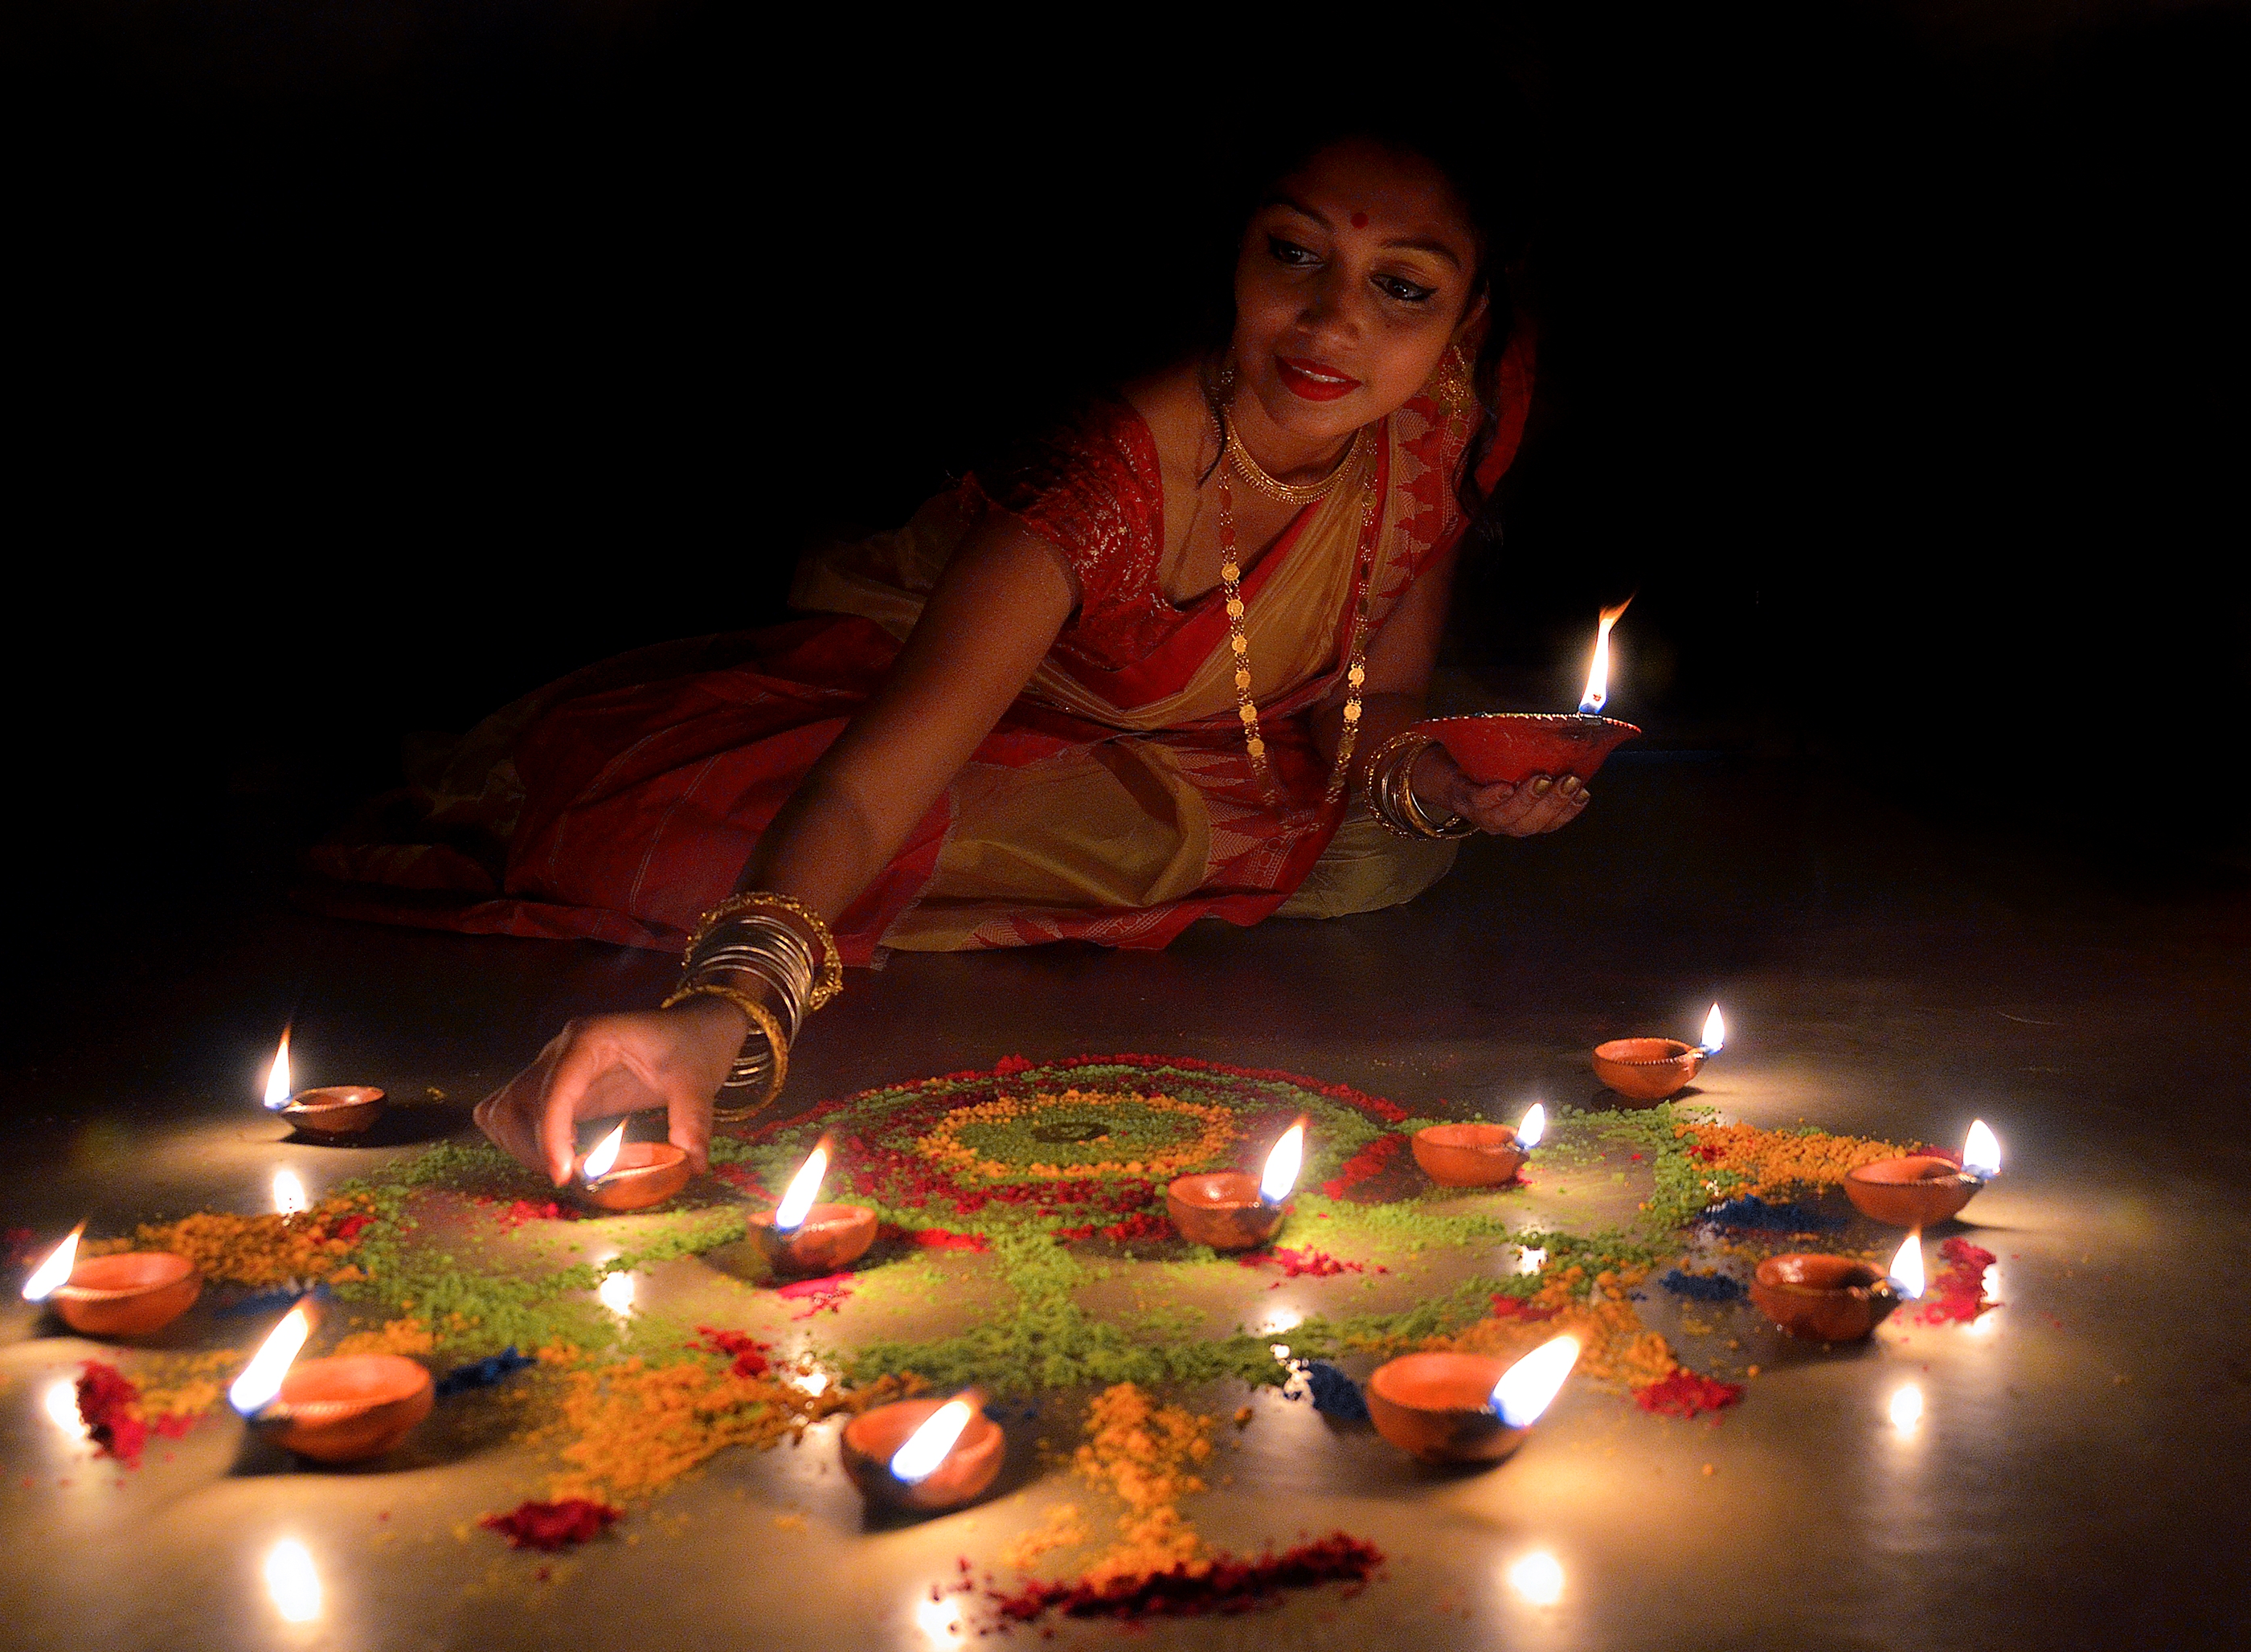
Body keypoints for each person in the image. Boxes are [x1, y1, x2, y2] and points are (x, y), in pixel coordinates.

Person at [307, 121, 1590, 1184]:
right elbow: (871, 783)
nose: (1331, 323)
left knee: (1378, 861)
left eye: (1403, 287)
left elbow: (1386, 696)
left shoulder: (1442, 415)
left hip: (1206, 745)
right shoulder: (1103, 482)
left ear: (1470, 313)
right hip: (964, 684)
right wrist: (724, 1014)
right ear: (1236, 248)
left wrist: (1437, 787)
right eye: (1294, 252)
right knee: (699, 843)